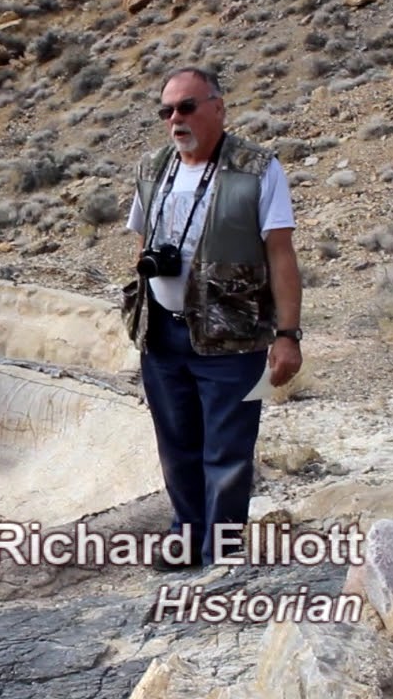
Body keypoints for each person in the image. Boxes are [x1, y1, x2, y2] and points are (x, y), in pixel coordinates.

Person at [121, 67, 303, 571]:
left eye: (187, 107)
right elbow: (142, 242)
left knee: (228, 452)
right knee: (177, 445)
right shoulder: (153, 167)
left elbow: (281, 255)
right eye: (166, 110)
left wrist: (288, 336)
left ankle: (219, 557)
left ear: (218, 107)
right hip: (162, 334)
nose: (175, 119)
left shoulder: (258, 169)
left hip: (235, 339)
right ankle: (185, 538)